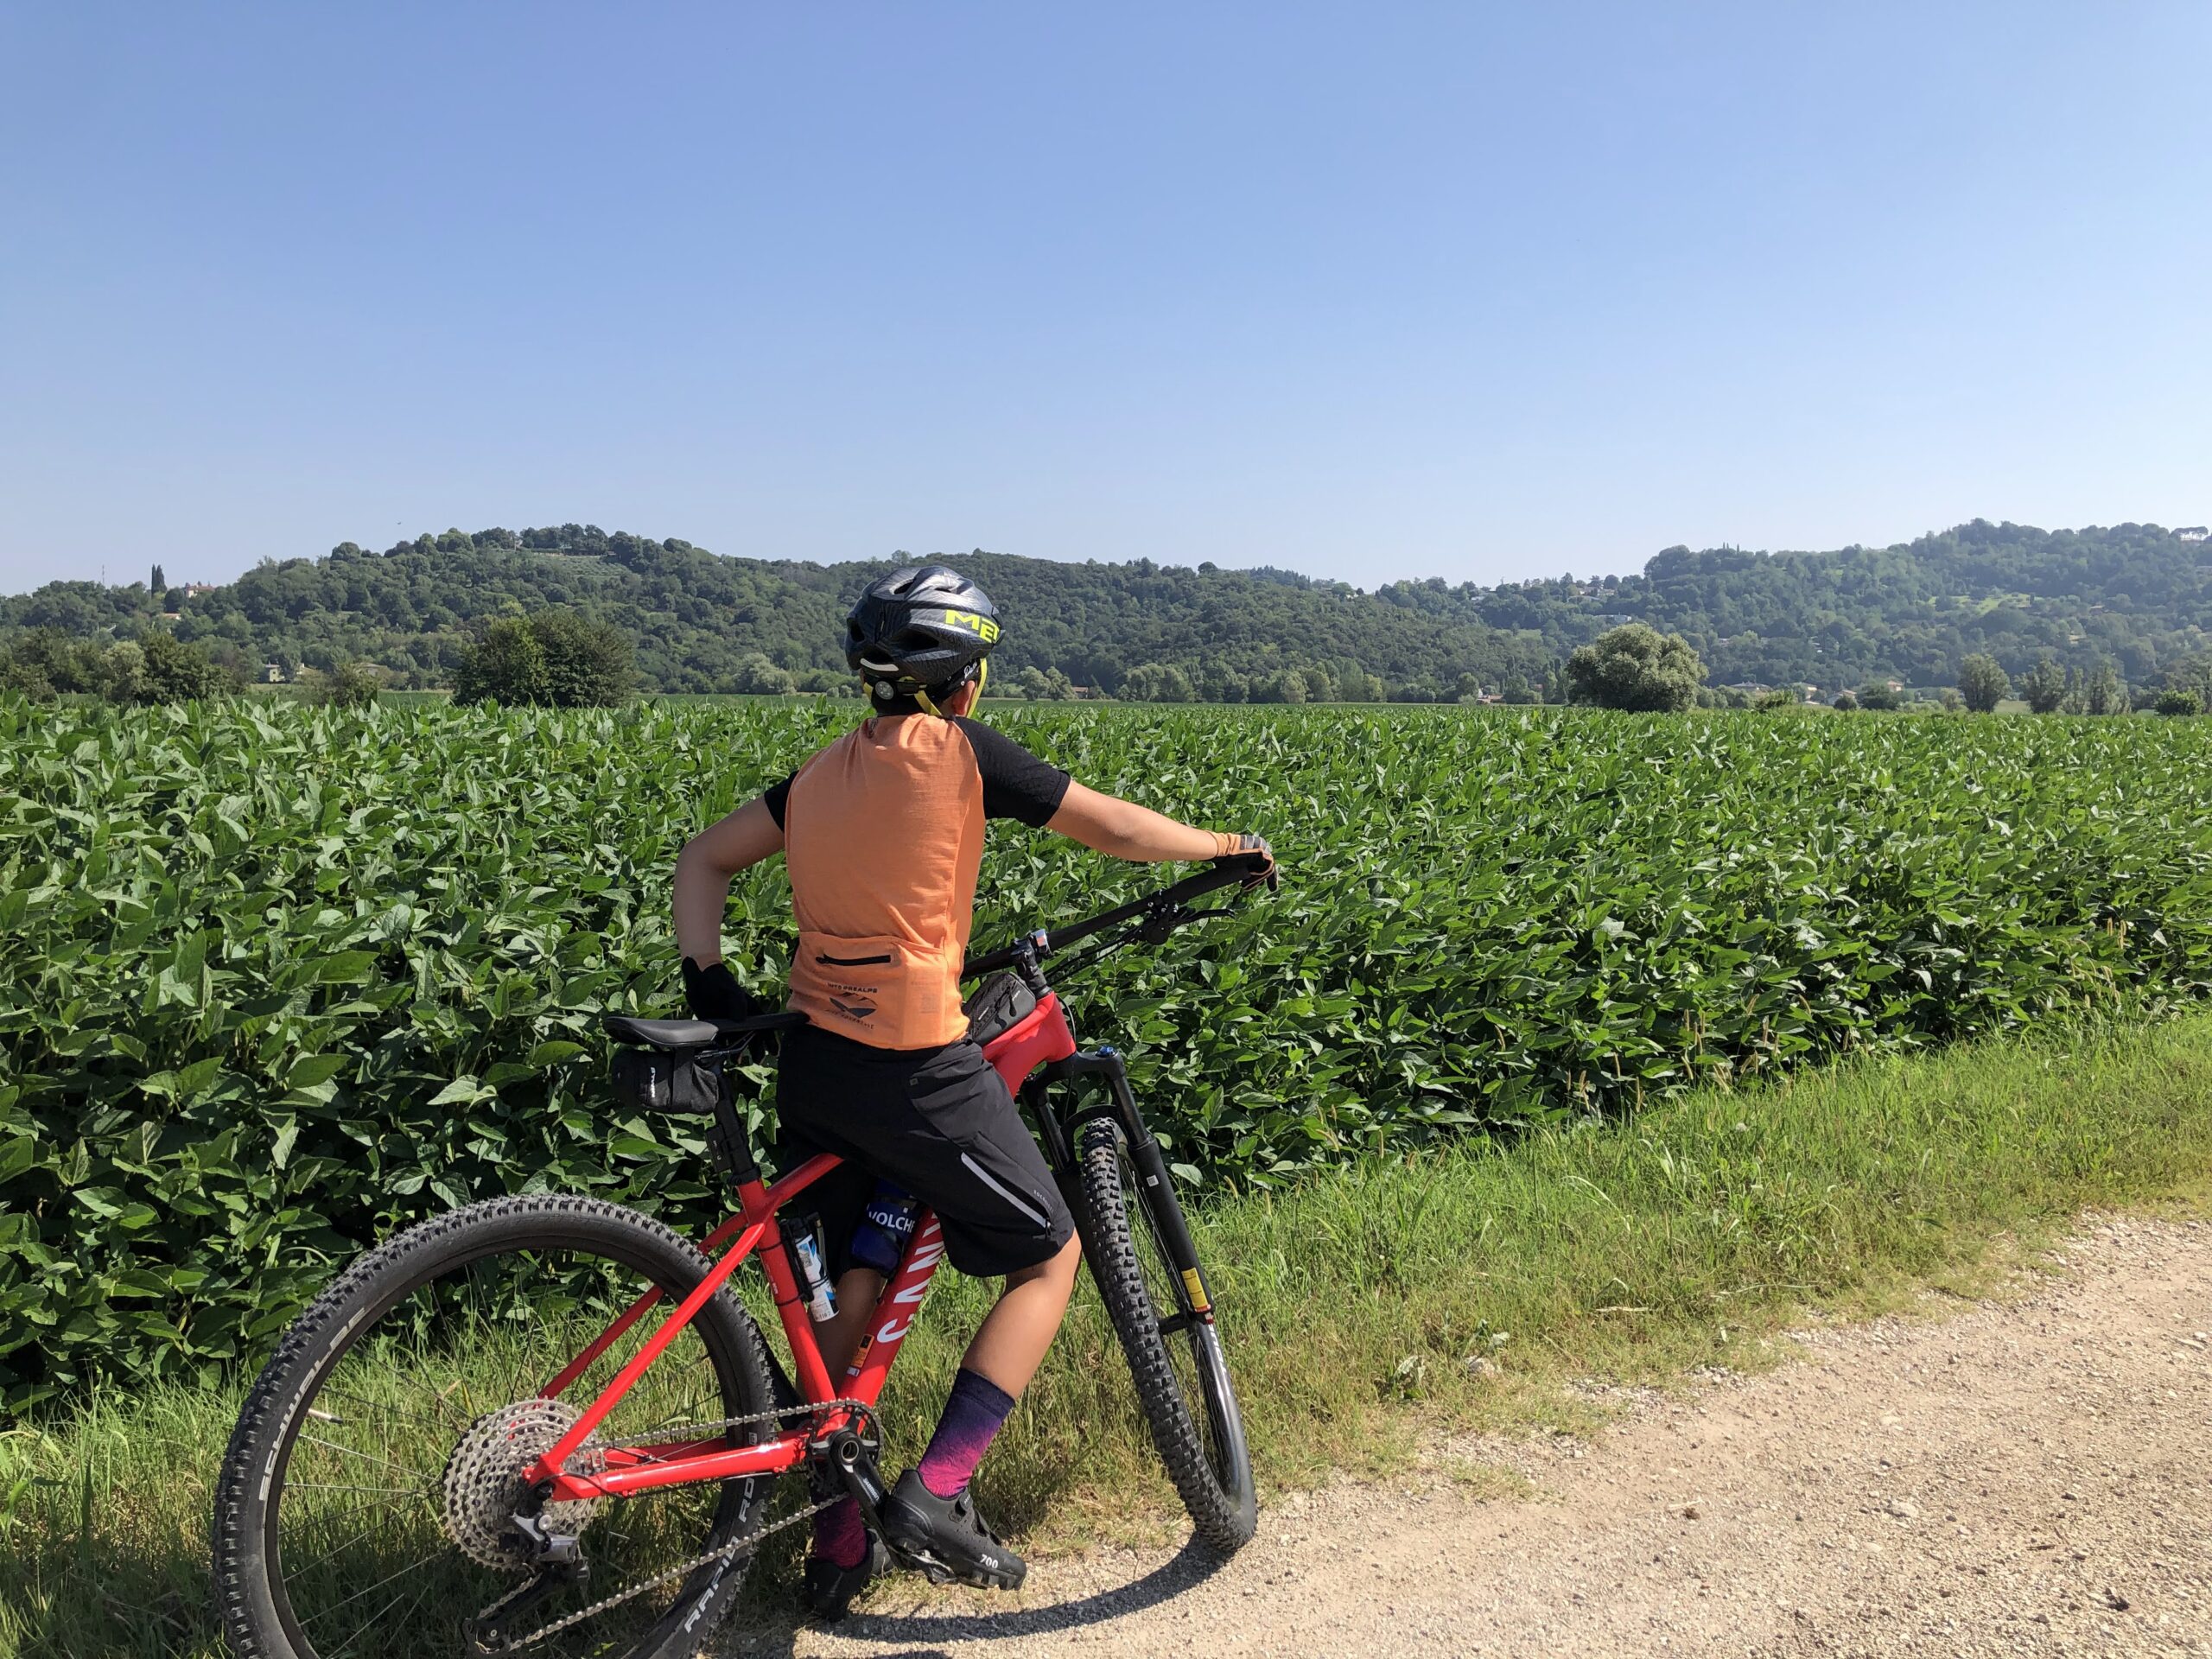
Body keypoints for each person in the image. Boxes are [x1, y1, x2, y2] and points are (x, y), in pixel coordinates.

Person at [671, 563, 1273, 1619]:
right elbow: (1114, 828)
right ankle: (937, 1492)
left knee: (850, 1291)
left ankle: (838, 1535)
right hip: (913, 1065)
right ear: (965, 681)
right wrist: (1226, 847)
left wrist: (713, 986)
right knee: (1048, 1254)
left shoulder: (815, 777)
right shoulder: (960, 752)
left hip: (812, 1061)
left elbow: (703, 862)